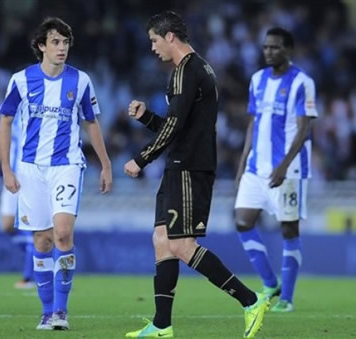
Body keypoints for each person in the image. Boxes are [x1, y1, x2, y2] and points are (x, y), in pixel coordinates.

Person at [124, 11, 269, 339]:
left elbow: (175, 127)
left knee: (181, 244)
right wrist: (147, 117)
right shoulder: (199, 69)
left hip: (189, 167)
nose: (152, 48)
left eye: (154, 40)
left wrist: (142, 158)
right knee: (161, 240)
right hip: (181, 163)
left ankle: (250, 301)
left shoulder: (186, 72)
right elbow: (180, 126)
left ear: (169, 37)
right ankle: (162, 325)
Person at [0, 17, 112, 331]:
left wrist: (105, 164)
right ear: (41, 46)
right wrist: (6, 169)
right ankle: (47, 311)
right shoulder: (21, 81)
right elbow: (6, 122)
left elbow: (91, 123)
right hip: (30, 168)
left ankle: (61, 311)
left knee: (62, 233)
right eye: (56, 42)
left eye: (65, 42)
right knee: (43, 240)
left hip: (67, 165)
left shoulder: (81, 81)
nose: (62, 48)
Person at [234, 27, 318, 312]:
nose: (268, 51)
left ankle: (287, 299)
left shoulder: (302, 83)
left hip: (289, 170)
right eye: (266, 47)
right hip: (256, 168)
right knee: (242, 221)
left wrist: (283, 166)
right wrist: (243, 162)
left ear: (288, 50)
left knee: (288, 229)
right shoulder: (257, 80)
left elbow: (304, 128)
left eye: (275, 47)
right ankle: (270, 283)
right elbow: (253, 123)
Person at [0, 115, 34, 290]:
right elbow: (1, 140)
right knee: (7, 225)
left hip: (29, 173)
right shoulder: (11, 112)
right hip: (11, 175)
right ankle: (40, 258)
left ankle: (29, 276)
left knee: (30, 224)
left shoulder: (36, 106)